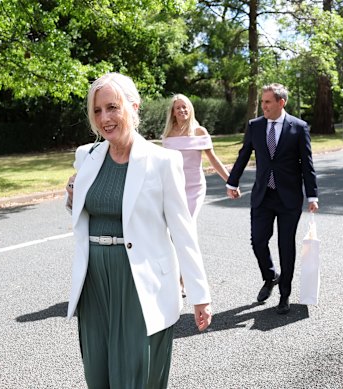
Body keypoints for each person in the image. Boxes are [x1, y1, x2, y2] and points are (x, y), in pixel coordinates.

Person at [65, 72, 212, 388]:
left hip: (139, 280)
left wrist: (200, 295)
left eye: (112, 107)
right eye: (97, 110)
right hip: (94, 282)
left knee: (134, 376)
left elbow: (183, 232)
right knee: (99, 375)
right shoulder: (86, 156)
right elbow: (82, 208)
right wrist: (71, 195)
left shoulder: (162, 161)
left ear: (134, 106)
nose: (105, 118)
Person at [226, 83, 318, 315]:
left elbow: (307, 164)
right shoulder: (255, 126)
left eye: (267, 102)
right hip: (263, 195)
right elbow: (244, 154)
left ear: (281, 102)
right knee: (258, 241)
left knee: (286, 246)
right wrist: (232, 182)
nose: (263, 106)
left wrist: (312, 195)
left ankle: (284, 294)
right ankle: (270, 276)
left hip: (289, 197)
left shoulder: (299, 127)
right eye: (262, 102)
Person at [162, 94, 233, 219]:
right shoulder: (168, 134)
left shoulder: (199, 132)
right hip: (174, 186)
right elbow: (163, 163)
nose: (182, 110)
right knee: (174, 225)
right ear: (173, 112)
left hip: (195, 186)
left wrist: (231, 182)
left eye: (184, 107)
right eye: (178, 108)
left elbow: (213, 160)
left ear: (190, 109)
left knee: (188, 221)